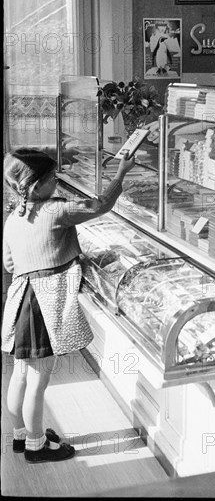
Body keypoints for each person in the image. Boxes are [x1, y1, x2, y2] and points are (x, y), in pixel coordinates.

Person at [2, 148, 135, 463]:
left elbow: (9, 265)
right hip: (43, 307)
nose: (57, 182)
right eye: (53, 178)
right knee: (39, 379)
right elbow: (99, 205)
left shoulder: (13, 216)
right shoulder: (55, 211)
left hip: (22, 301)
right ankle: (37, 446)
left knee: (21, 373)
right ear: (37, 186)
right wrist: (121, 173)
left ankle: (21, 435)